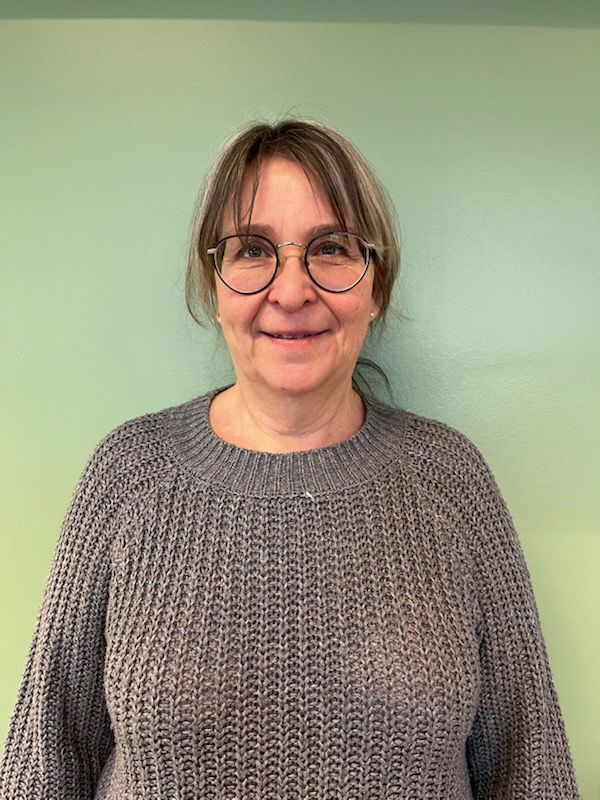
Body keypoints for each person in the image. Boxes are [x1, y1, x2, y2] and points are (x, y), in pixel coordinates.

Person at [0, 119, 580, 799]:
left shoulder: (449, 481)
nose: (292, 290)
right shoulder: (129, 476)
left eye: (330, 248)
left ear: (375, 286)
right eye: (253, 250)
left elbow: (530, 766)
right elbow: (44, 760)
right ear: (214, 285)